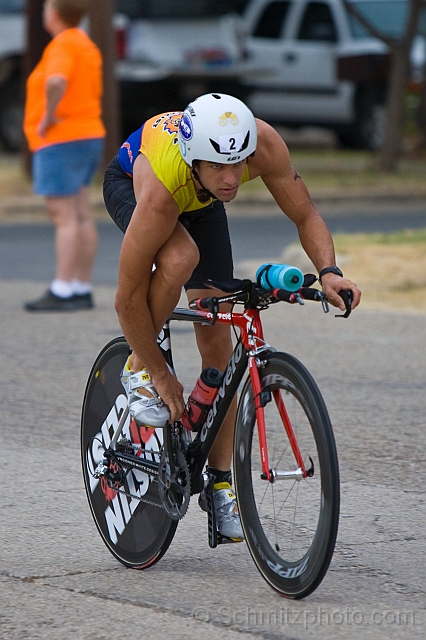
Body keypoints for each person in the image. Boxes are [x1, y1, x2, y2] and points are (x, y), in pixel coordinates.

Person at [103, 93, 361, 541]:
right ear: (196, 158)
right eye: (218, 167)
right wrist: (162, 374)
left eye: (237, 164)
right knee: (180, 255)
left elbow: (305, 213)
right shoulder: (163, 189)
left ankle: (220, 486)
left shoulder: (262, 143)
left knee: (218, 351)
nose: (231, 178)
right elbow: (126, 301)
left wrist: (330, 271)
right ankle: (136, 368)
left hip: (198, 203)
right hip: (140, 185)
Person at [23, 0, 105, 312]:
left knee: (63, 216)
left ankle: (62, 288)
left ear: (53, 14)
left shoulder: (62, 45)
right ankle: (81, 287)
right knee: (81, 213)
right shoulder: (86, 45)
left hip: (61, 138)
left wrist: (47, 117)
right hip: (89, 135)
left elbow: (57, 80)